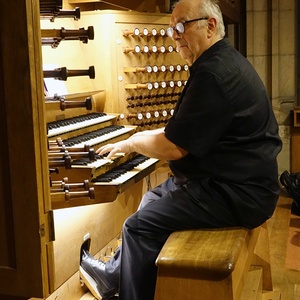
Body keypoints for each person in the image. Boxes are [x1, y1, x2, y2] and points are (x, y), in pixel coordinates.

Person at [79, 0, 282, 299]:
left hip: (237, 194)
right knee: (151, 196)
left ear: (210, 26)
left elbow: (174, 147)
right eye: (171, 28)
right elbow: (184, 129)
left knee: (137, 227)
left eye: (181, 26)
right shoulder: (218, 62)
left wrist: (134, 142)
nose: (174, 35)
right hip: (234, 181)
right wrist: (128, 141)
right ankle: (114, 276)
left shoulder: (213, 74)